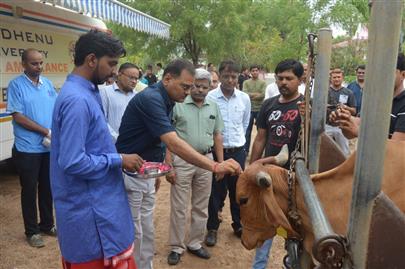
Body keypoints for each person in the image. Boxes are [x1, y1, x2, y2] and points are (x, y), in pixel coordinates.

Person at [116, 59, 241, 269]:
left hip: (144, 173)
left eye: (191, 86)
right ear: (167, 79)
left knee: (145, 229)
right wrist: (215, 166)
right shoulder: (151, 99)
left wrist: (155, 172)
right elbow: (172, 141)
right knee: (134, 230)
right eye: (185, 86)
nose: (189, 91)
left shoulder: (169, 100)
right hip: (131, 174)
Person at [50, 30, 143, 268]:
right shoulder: (77, 100)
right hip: (92, 217)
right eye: (111, 63)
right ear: (92, 60)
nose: (114, 71)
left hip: (98, 206)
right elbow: (72, 161)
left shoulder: (86, 92)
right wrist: (118, 160)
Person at [249, 59, 305, 269]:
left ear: (300, 80)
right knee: (266, 222)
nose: (284, 82)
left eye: (289, 78)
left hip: (296, 177)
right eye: (280, 78)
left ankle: (291, 264)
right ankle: (259, 266)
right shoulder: (268, 104)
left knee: (296, 227)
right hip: (270, 175)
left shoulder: (306, 106)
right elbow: (261, 138)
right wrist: (253, 167)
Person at [165, 68, 224, 265]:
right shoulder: (177, 105)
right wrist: (169, 165)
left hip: (206, 160)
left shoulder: (213, 106)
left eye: (204, 87)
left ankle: (195, 243)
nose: (199, 90)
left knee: (201, 205)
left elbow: (217, 135)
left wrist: (220, 164)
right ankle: (176, 247)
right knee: (179, 206)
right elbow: (166, 137)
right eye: (196, 86)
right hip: (182, 161)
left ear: (210, 88)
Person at [6, 48, 57, 248]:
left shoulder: (48, 84)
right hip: (27, 149)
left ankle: (46, 224)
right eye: (34, 63)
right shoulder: (16, 85)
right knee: (29, 190)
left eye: (41, 63)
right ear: (24, 64)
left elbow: (55, 109)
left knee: (48, 188)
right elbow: (17, 116)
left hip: (48, 148)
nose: (39, 67)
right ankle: (32, 231)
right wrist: (45, 131)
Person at [205, 60, 251, 246]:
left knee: (237, 190)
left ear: (238, 76)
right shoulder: (210, 97)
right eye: (226, 76)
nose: (230, 80)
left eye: (233, 76)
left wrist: (240, 145)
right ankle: (212, 228)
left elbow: (246, 123)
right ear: (220, 75)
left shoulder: (244, 98)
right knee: (215, 191)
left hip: (238, 151)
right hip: (216, 153)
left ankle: (238, 224)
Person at [331, 53, 405, 141]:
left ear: (403, 75)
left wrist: (359, 132)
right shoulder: (377, 101)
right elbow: (357, 126)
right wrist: (344, 118)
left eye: (389, 72)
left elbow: (396, 147)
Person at [100, 62, 139, 141]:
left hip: (132, 145)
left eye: (136, 78)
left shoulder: (137, 97)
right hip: (110, 145)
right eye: (131, 77)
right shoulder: (105, 92)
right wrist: (117, 139)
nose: (134, 81)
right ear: (120, 74)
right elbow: (101, 120)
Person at [325, 68, 356, 157]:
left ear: (342, 78)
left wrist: (345, 107)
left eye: (338, 77)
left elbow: (354, 111)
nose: (336, 79)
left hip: (342, 126)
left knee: (344, 151)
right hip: (327, 125)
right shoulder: (325, 91)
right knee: (325, 150)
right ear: (331, 78)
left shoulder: (348, 92)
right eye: (334, 77)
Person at [243, 64, 267, 154]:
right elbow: (245, 94)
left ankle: (260, 152)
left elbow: (263, 95)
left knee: (261, 132)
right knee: (247, 131)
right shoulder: (246, 82)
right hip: (248, 109)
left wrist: (251, 95)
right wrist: (257, 94)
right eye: (253, 70)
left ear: (259, 71)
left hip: (260, 109)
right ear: (250, 72)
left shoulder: (263, 83)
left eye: (256, 70)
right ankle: (245, 151)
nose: (255, 72)